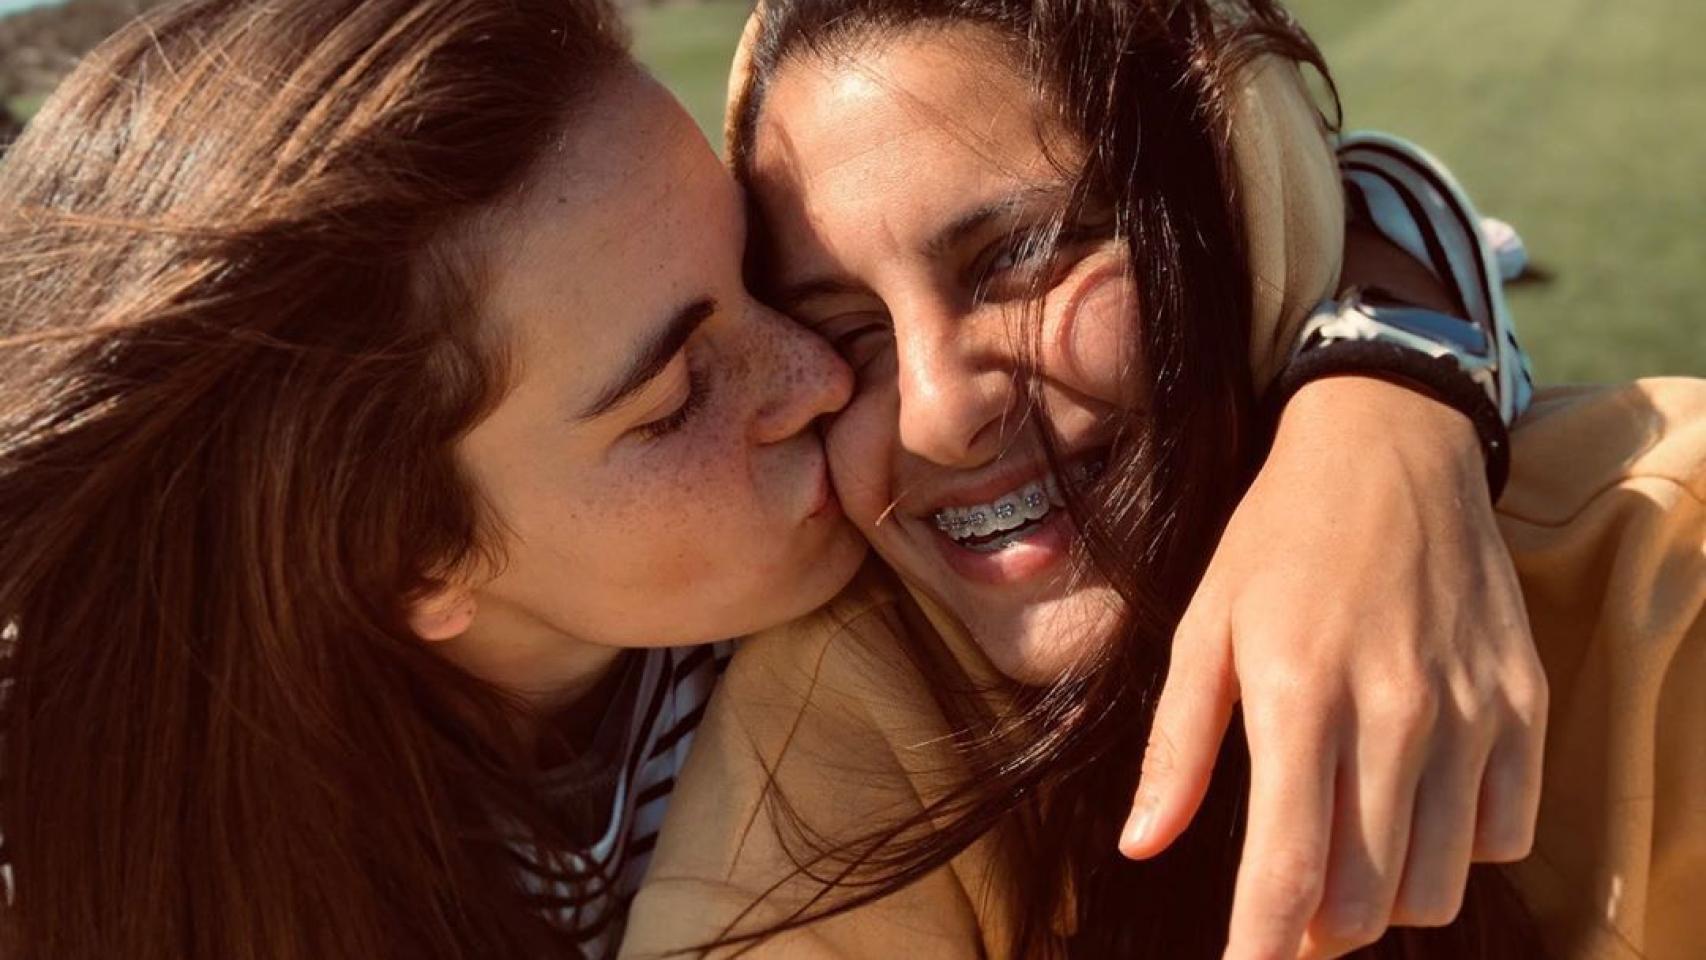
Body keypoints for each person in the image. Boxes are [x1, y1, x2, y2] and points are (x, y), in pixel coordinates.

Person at [0, 0, 1558, 956]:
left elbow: (1301, 193)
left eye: (756, 282)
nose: (829, 384)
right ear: (409, 556)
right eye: (678, 394)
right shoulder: (67, 841)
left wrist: (1383, 411)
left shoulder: (826, 590)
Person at [621, 0, 1705, 957]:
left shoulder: (1662, 559)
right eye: (843, 327)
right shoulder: (853, 703)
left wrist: (1386, 400)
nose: (939, 414)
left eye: (1021, 257)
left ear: (1240, 208)